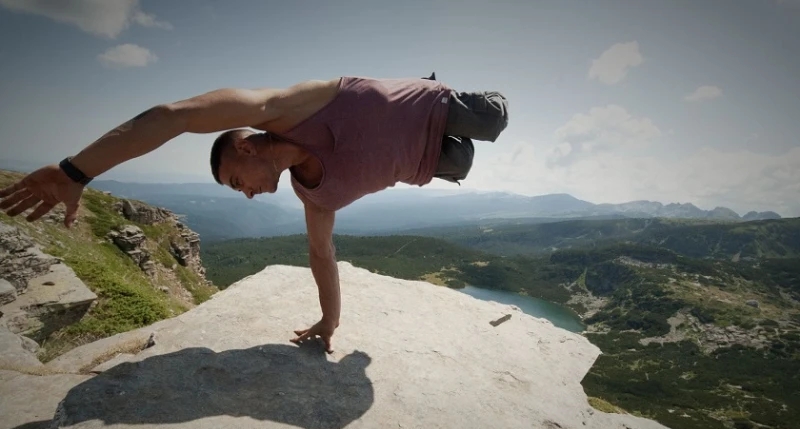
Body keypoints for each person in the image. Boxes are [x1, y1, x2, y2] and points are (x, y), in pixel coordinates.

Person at [0, 73, 509, 353]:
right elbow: (321, 254)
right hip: (437, 161)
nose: (243, 194)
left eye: (235, 182)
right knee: (463, 158)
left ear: (246, 149)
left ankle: (437, 87)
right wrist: (330, 323)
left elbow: (174, 117)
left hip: (434, 108)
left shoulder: (287, 108)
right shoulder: (315, 194)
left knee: (495, 120)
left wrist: (75, 170)